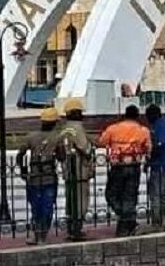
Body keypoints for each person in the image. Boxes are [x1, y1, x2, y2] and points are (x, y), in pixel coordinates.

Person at [98, 105, 151, 237]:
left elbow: (101, 141)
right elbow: (148, 148)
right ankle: (128, 220)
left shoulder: (113, 129)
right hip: (134, 166)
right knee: (130, 196)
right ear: (137, 116)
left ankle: (125, 219)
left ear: (125, 115)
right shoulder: (143, 130)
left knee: (111, 195)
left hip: (117, 166)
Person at [16, 107, 60, 246]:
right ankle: (43, 235)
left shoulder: (31, 136)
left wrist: (23, 171)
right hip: (49, 177)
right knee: (47, 207)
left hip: (34, 177)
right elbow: (62, 157)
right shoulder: (57, 137)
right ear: (54, 122)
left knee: (36, 207)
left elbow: (20, 155)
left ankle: (37, 235)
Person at [56, 98, 95, 242]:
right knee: (81, 198)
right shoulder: (78, 128)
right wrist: (90, 153)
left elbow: (59, 150)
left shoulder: (64, 129)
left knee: (70, 198)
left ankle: (71, 226)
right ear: (76, 113)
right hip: (80, 169)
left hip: (68, 169)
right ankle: (77, 228)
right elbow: (85, 148)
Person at [145, 104, 165, 232]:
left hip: (160, 165)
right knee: (162, 193)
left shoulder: (160, 125)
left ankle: (159, 221)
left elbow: (160, 145)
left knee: (158, 194)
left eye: (148, 116)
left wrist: (150, 160)